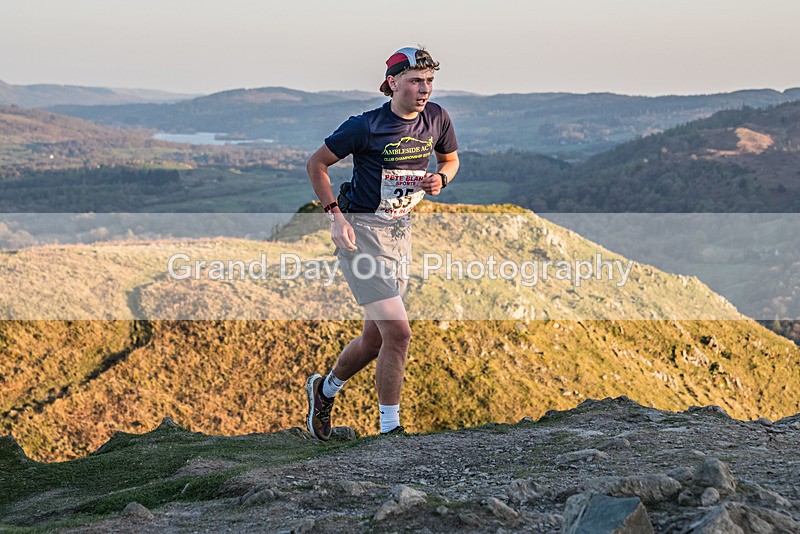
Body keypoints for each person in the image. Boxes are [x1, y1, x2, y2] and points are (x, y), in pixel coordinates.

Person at [305, 46, 459, 440]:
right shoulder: (365, 126)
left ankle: (324, 391)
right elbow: (316, 164)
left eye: (429, 81)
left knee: (375, 339)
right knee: (400, 333)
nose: (424, 90)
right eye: (415, 82)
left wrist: (441, 179)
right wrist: (335, 217)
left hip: (399, 232)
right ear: (393, 83)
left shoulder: (437, 117)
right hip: (360, 234)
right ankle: (390, 430)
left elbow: (450, 161)